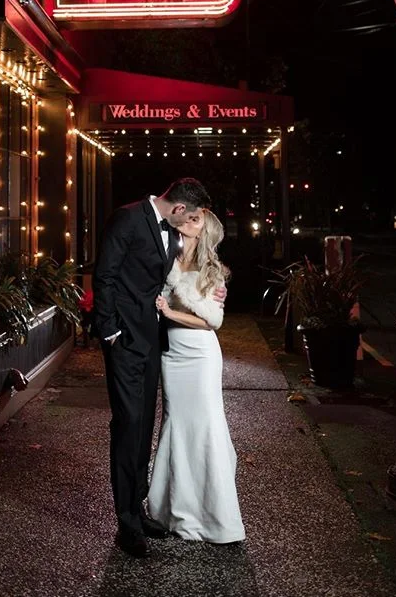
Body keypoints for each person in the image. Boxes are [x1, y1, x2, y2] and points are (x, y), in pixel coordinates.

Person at [93, 178, 225, 558]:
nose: (193, 222)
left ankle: (138, 511)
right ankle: (126, 524)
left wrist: (210, 288)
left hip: (153, 343)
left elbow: (173, 279)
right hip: (125, 342)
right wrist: (110, 332)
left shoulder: (172, 230)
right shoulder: (128, 219)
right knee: (128, 425)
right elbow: (105, 276)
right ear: (179, 208)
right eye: (193, 215)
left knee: (144, 426)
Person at [148, 209, 245, 544]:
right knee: (175, 423)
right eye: (187, 217)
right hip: (171, 354)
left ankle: (217, 518)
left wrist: (170, 311)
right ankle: (174, 511)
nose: (188, 221)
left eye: (196, 220)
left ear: (205, 232)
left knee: (205, 426)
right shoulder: (168, 258)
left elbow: (211, 321)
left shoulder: (212, 271)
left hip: (200, 355)